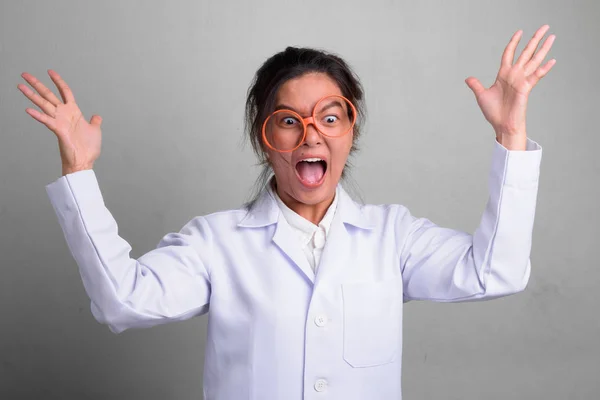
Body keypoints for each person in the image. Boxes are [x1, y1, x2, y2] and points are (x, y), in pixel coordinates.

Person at [18, 25, 555, 400]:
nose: (311, 133)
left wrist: (511, 135)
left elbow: (497, 272)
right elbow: (121, 302)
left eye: (330, 117)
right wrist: (78, 171)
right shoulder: (216, 242)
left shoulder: (394, 237)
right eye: (289, 121)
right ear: (264, 138)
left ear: (351, 131)